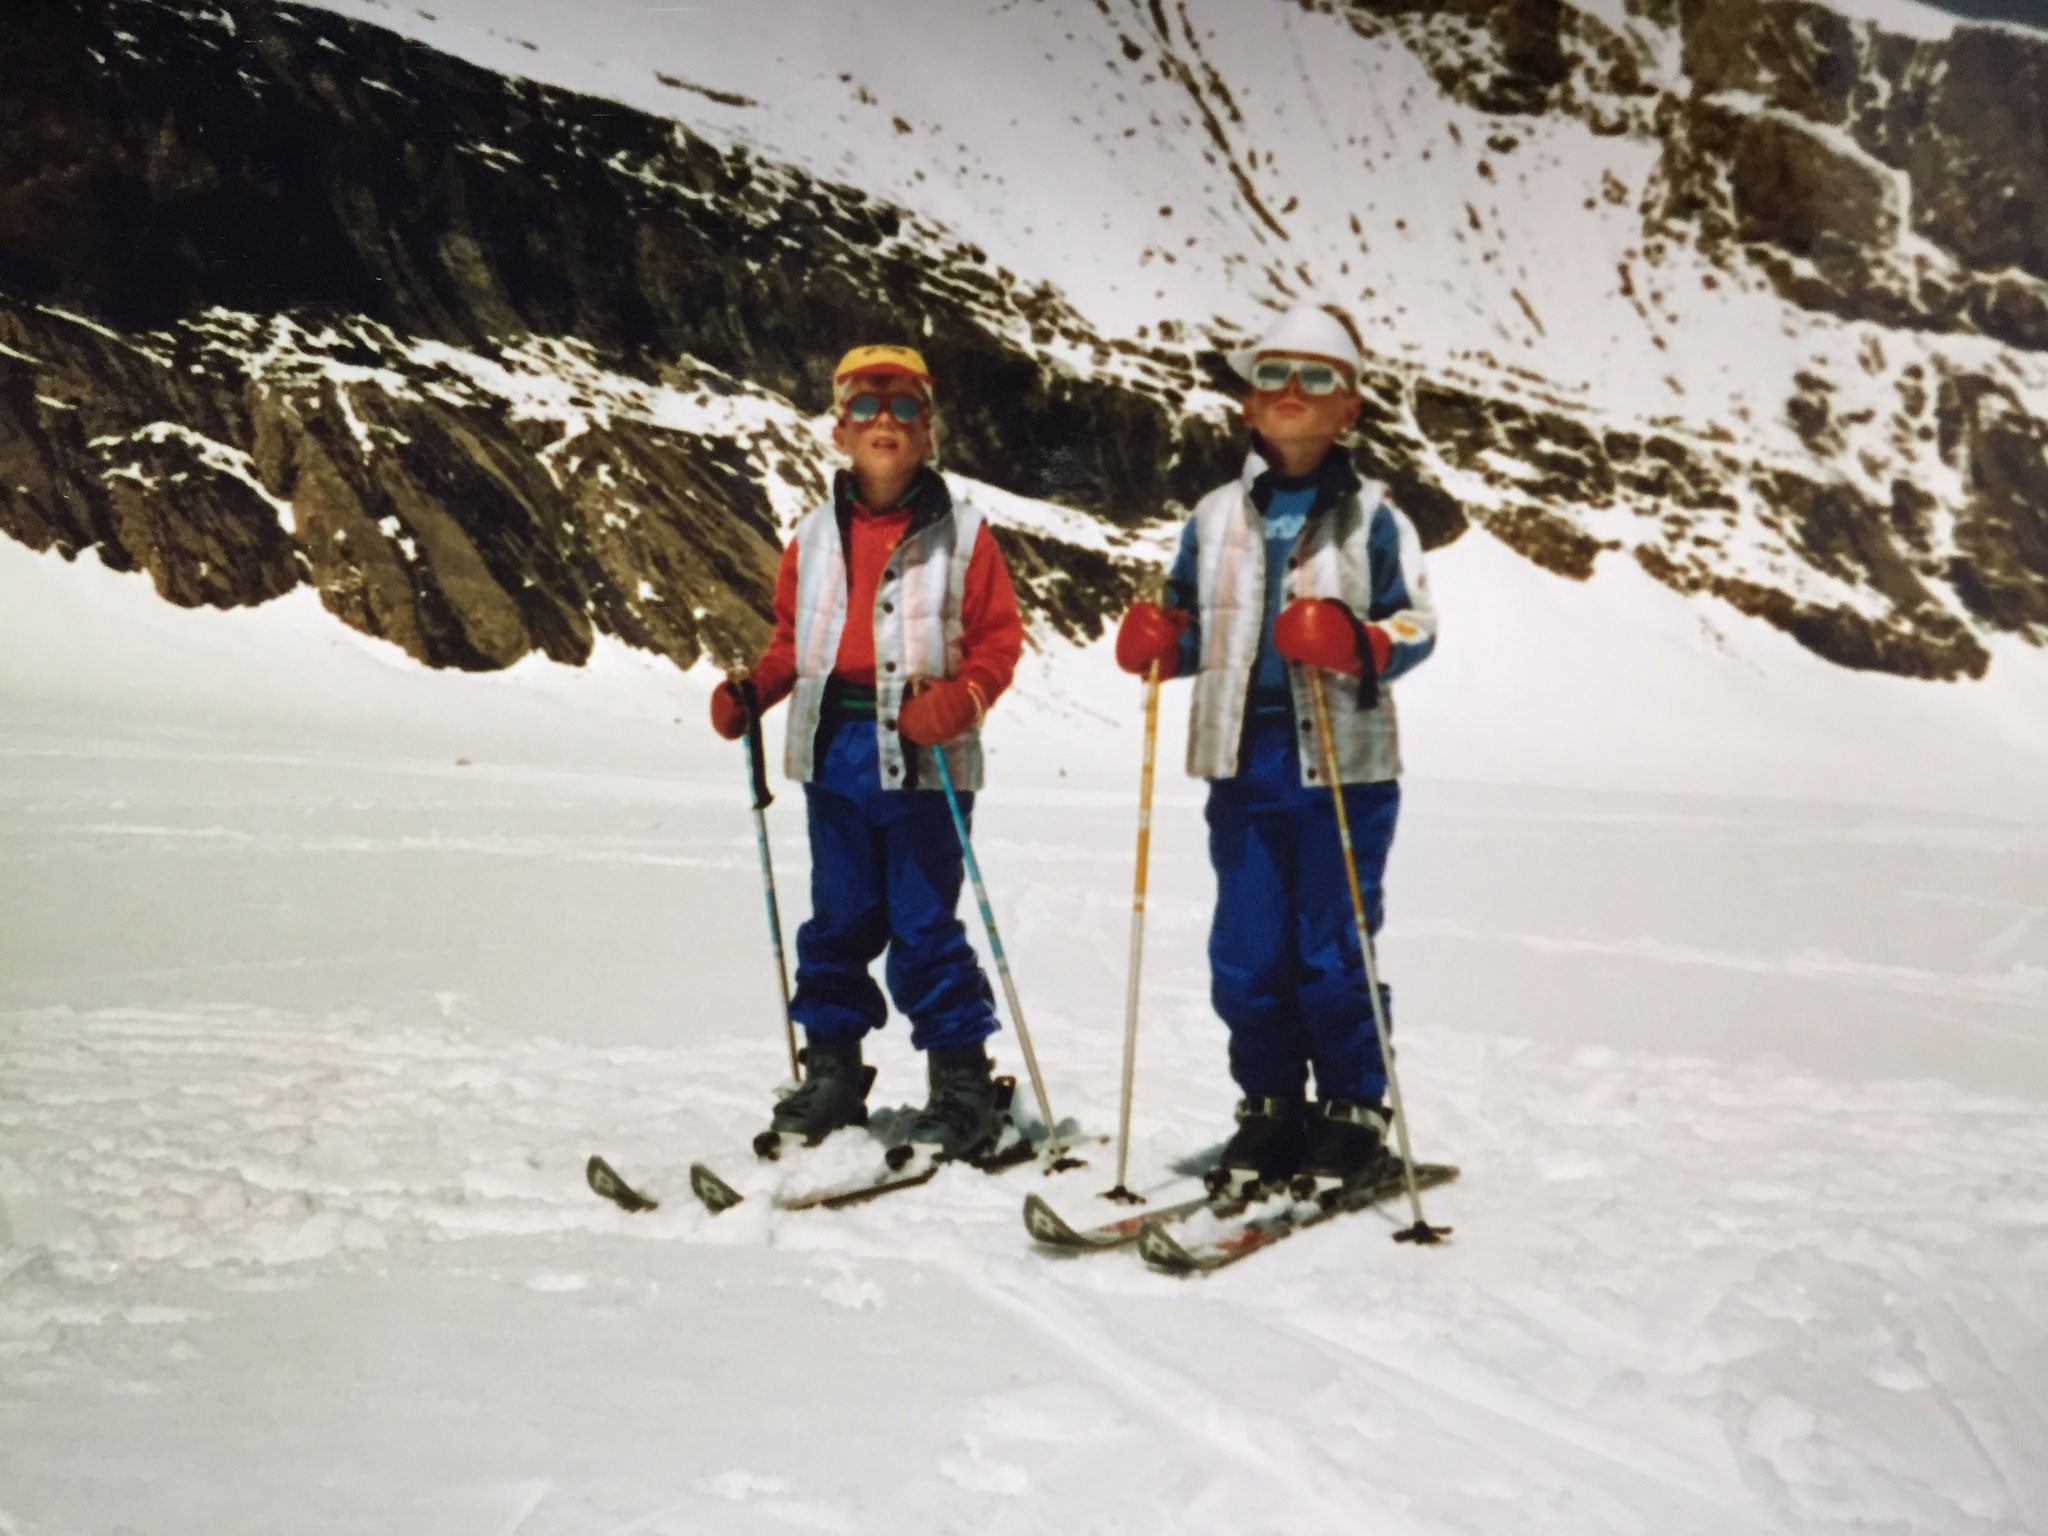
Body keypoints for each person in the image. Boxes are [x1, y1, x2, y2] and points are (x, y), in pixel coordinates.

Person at [1113, 302, 1437, 1193]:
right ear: (1248, 407)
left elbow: (1417, 621)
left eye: (1319, 378)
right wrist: (1158, 643)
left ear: (1351, 409)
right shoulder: (1212, 517)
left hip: (1343, 764)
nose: (1293, 393)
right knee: (1249, 949)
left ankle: (1352, 1108)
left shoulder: (1375, 518)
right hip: (1241, 757)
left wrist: (1360, 641)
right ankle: (1270, 1104)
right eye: (1273, 377)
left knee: (1329, 944)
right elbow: (1187, 618)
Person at [709, 345, 1025, 1161]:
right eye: (866, 405)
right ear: (838, 430)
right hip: (834, 750)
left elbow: (997, 642)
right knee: (840, 918)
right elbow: (793, 645)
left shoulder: (966, 535)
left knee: (923, 922)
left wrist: (964, 699)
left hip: (927, 758)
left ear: (929, 432)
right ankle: (832, 1074)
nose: (886, 420)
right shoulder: (810, 538)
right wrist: (755, 692)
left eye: (907, 407)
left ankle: (960, 1082)